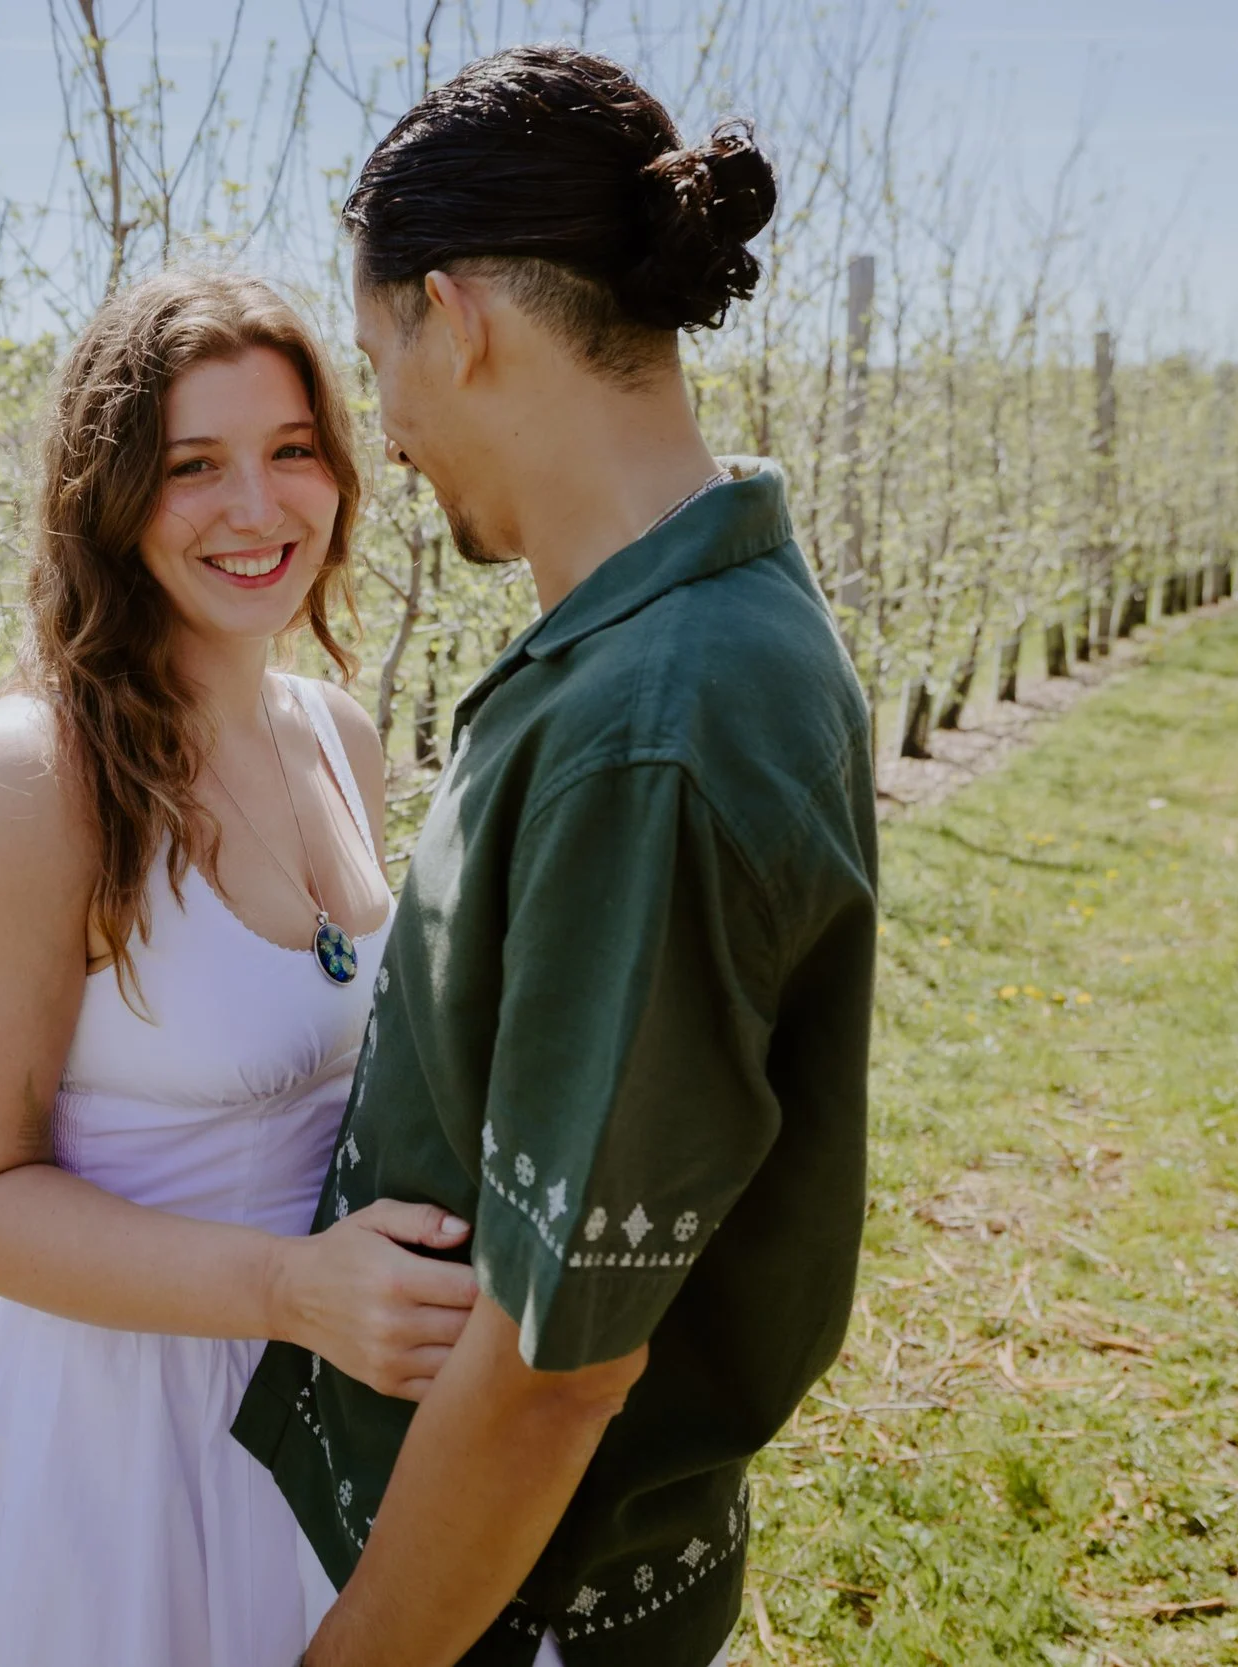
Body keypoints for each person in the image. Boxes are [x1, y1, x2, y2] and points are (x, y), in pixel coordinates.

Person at [232, 46, 879, 1667]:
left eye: (377, 356)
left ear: (455, 320)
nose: (382, 427)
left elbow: (555, 1363)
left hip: (502, 1605)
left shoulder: (649, 731)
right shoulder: (691, 619)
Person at [0, 270, 480, 1666]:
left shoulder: (337, 732)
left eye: (290, 451)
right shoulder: (32, 780)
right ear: (107, 497)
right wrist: (290, 1290)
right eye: (191, 466)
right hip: (117, 1435)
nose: (257, 507)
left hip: (346, 1392)